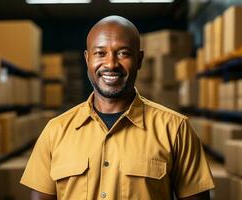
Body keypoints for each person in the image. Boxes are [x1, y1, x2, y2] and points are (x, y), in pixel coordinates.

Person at [21, 15, 215, 200]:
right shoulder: (55, 132)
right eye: (100, 53)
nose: (111, 63)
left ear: (139, 60)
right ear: (87, 59)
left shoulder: (175, 129)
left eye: (123, 53)